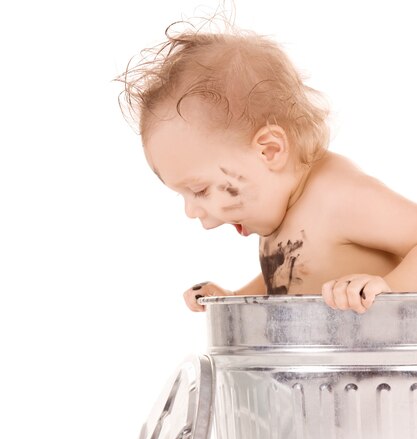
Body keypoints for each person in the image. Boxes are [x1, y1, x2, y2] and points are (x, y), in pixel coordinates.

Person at [117, 21, 417, 314]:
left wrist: (387, 287)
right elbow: (289, 276)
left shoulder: (340, 197)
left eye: (199, 190)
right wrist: (235, 298)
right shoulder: (281, 203)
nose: (193, 213)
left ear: (269, 150)